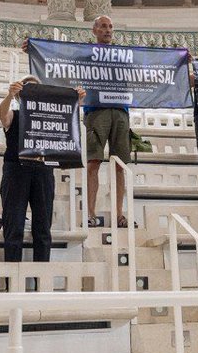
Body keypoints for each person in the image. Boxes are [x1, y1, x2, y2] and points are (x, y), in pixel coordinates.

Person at [25, 16, 131, 227]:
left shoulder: (124, 55)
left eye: (110, 26)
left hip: (121, 110)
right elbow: (62, 62)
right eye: (103, 26)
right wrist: (35, 50)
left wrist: (181, 63)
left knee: (120, 165)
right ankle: (90, 214)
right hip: (95, 111)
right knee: (93, 162)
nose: (108, 30)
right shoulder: (86, 54)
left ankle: (119, 214)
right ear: (94, 31)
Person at [0, 76, 85, 262]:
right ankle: (12, 281)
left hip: (43, 171)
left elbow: (67, 124)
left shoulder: (50, 116)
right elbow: (2, 115)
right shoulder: (15, 113)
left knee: (43, 228)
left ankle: (41, 279)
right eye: (28, 88)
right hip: (16, 170)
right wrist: (9, 95)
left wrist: (75, 102)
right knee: (13, 225)